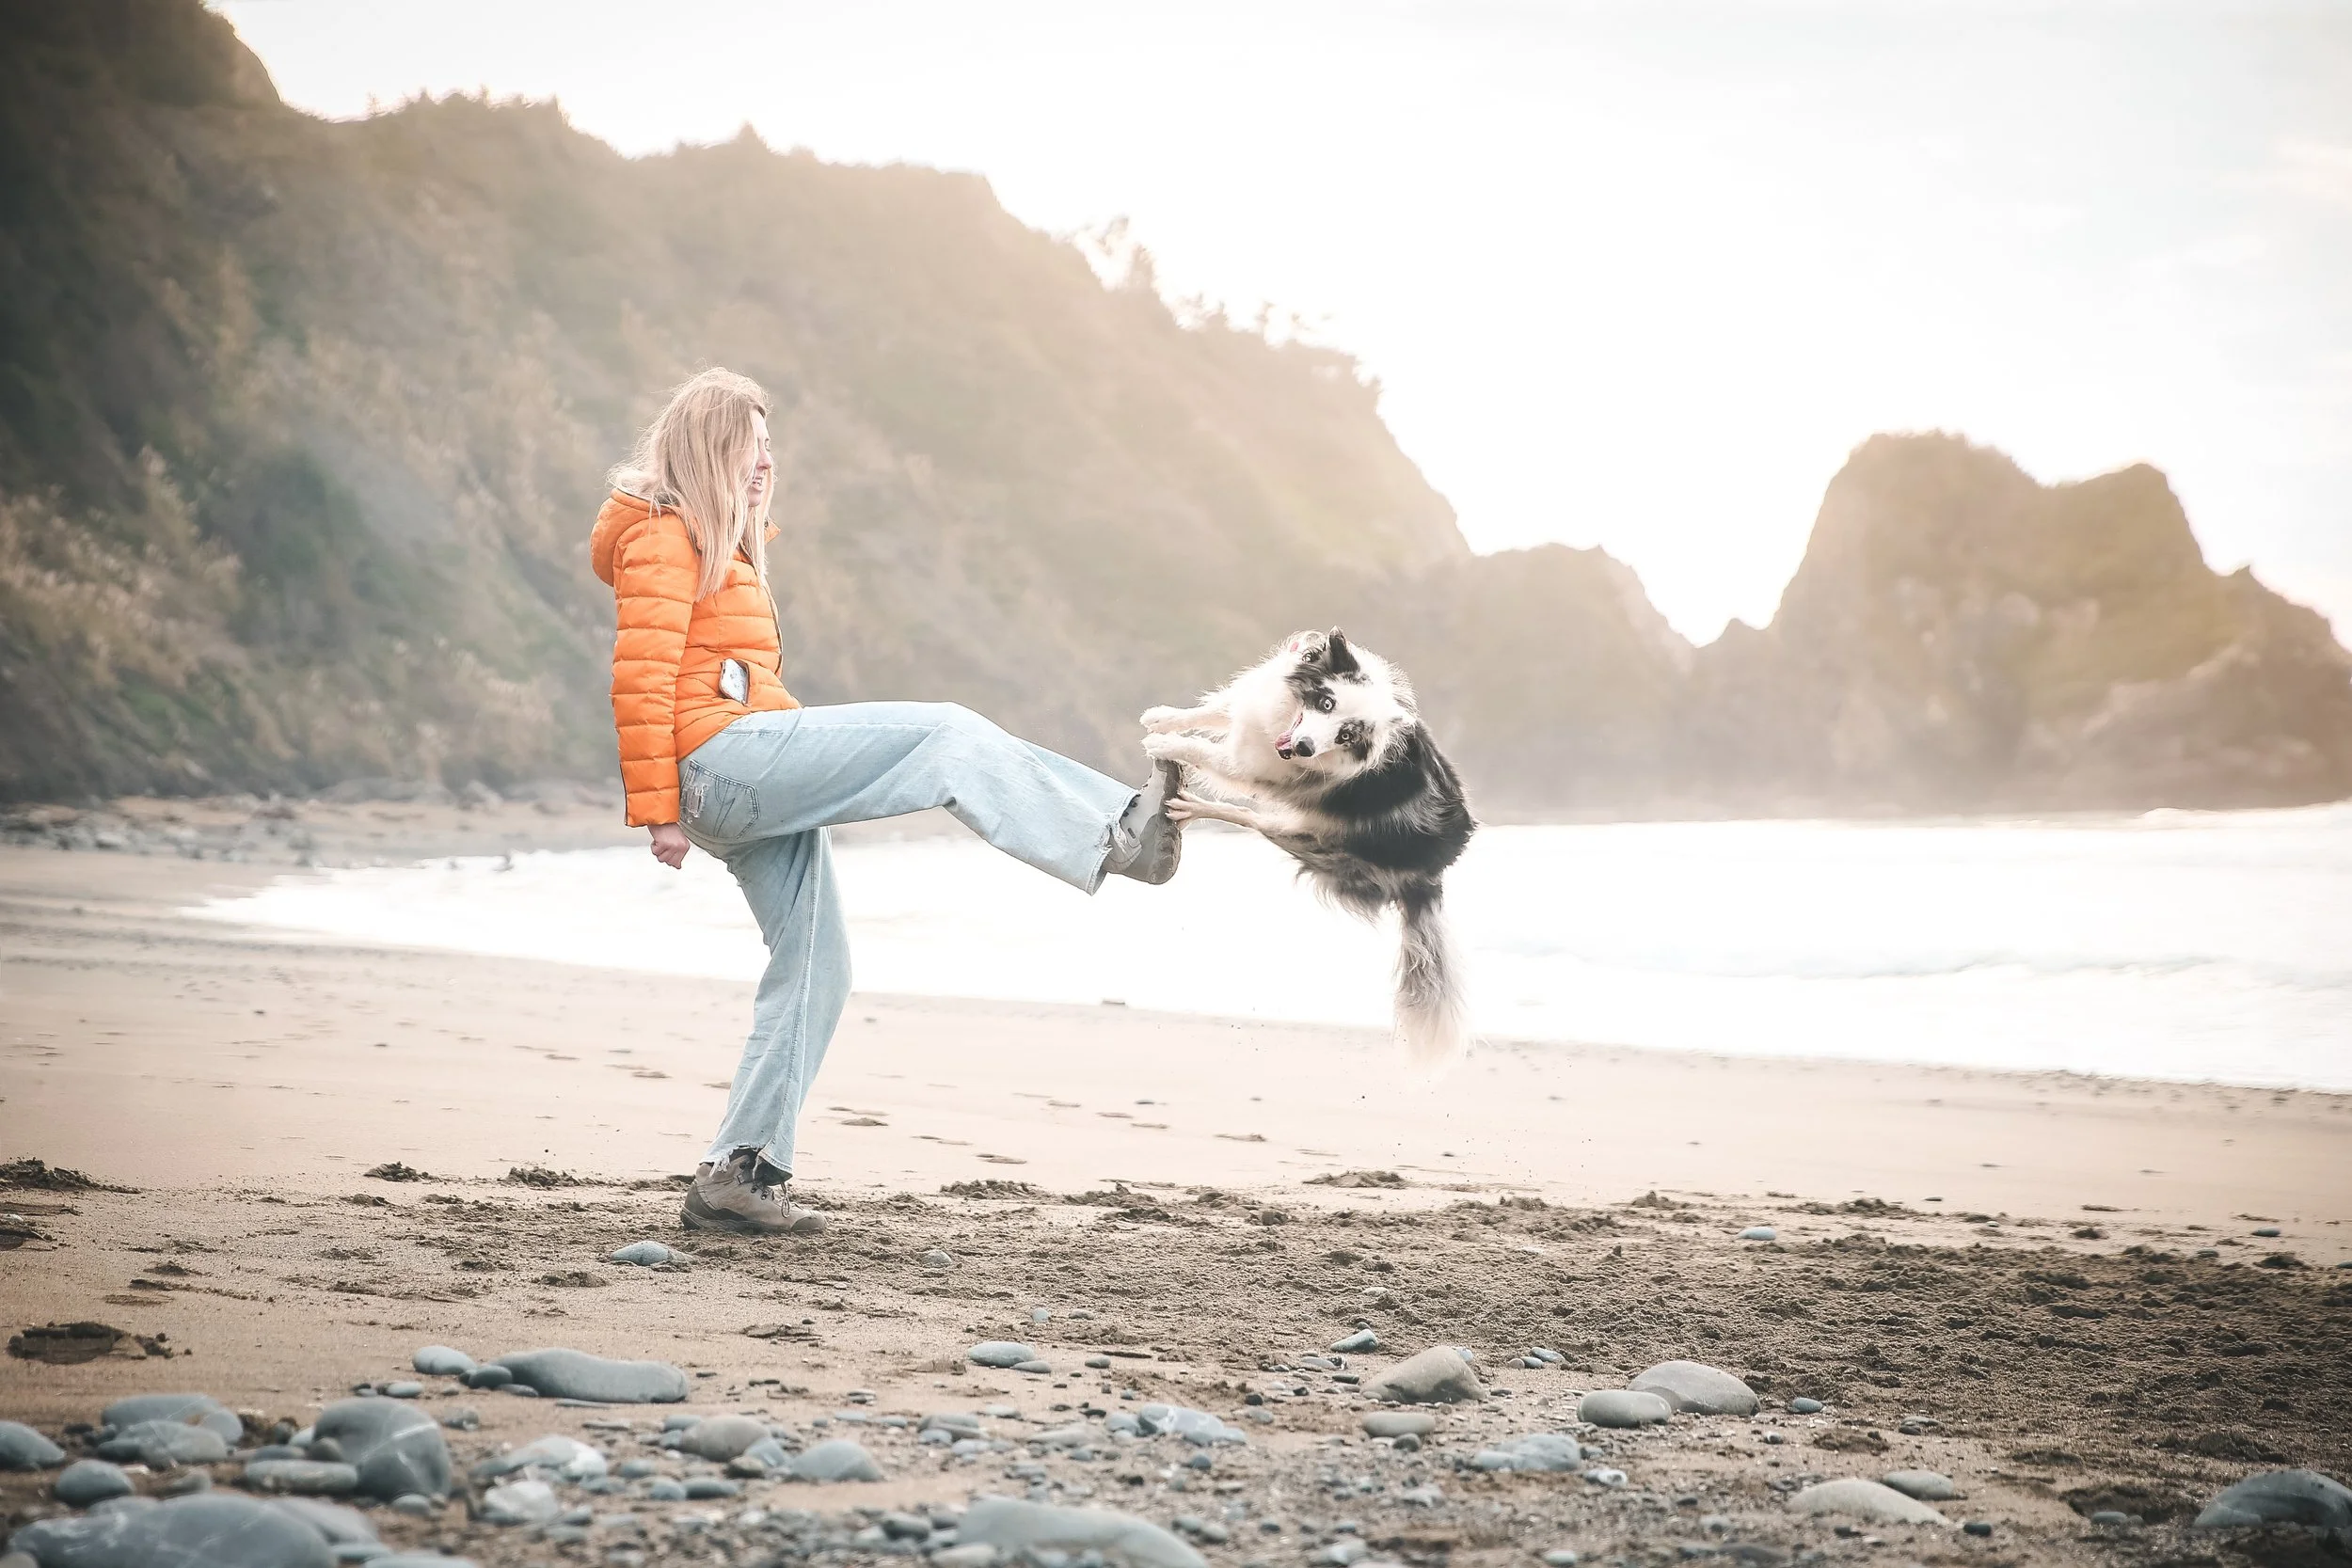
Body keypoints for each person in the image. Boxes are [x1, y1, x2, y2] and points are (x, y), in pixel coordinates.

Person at [590, 368, 1183, 1237]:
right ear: (712, 446)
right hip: (715, 765)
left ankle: (742, 1174)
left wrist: (805, 761)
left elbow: (743, 686)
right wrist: (660, 813)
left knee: (818, 967)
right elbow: (640, 686)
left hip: (740, 764)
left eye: (769, 445)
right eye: (752, 444)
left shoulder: (724, 542)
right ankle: (1114, 835)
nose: (766, 461)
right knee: (944, 733)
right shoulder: (660, 536)